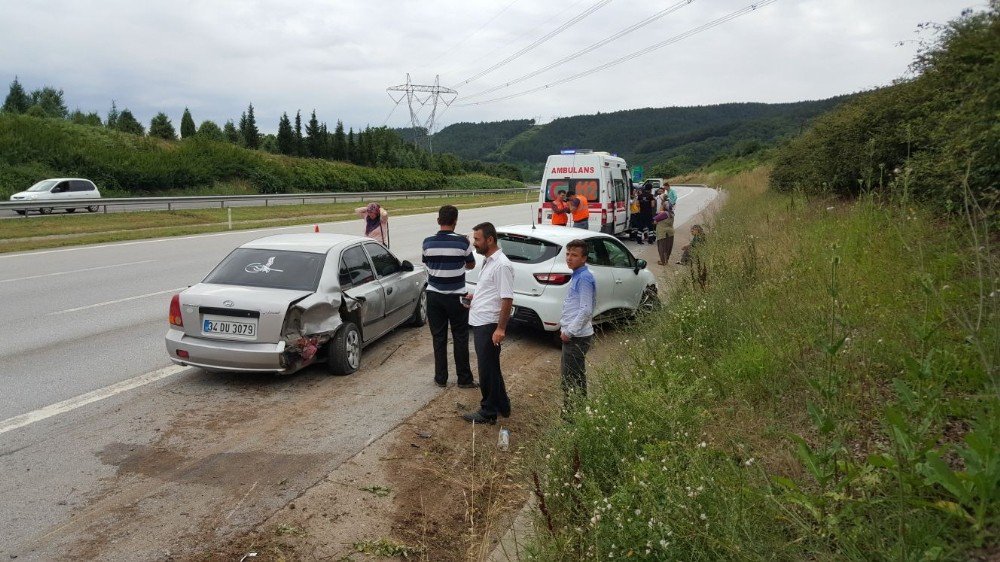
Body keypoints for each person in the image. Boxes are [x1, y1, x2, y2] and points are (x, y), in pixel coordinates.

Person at [461, 222, 513, 424]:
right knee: (491, 367)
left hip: (489, 324)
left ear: (490, 240)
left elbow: (507, 299)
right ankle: (502, 405)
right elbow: (492, 291)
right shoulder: (489, 261)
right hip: (481, 319)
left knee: (486, 369)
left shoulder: (502, 265)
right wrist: (475, 297)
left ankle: (488, 411)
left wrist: (501, 328)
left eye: (477, 239)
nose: (475, 244)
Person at [422, 205, 477, 389]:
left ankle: (440, 378)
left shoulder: (427, 242)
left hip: (434, 296)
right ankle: (464, 379)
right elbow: (470, 265)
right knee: (460, 337)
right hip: (456, 297)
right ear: (455, 222)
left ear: (438, 221)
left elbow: (427, 263)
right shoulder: (463, 243)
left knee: (438, 338)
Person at [560, 239, 595, 411]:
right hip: (576, 336)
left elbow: (586, 309)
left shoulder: (584, 278)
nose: (569, 258)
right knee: (575, 377)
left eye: (574, 255)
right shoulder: (578, 275)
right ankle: (577, 412)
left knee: (570, 379)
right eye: (567, 254)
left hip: (577, 338)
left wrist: (569, 331)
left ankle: (571, 416)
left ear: (584, 258)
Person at [653, 196, 675, 266]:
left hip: (663, 233)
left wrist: (660, 209)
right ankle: (666, 260)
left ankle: (663, 261)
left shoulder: (663, 214)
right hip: (670, 232)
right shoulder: (672, 213)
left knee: (662, 247)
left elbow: (655, 221)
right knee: (668, 247)